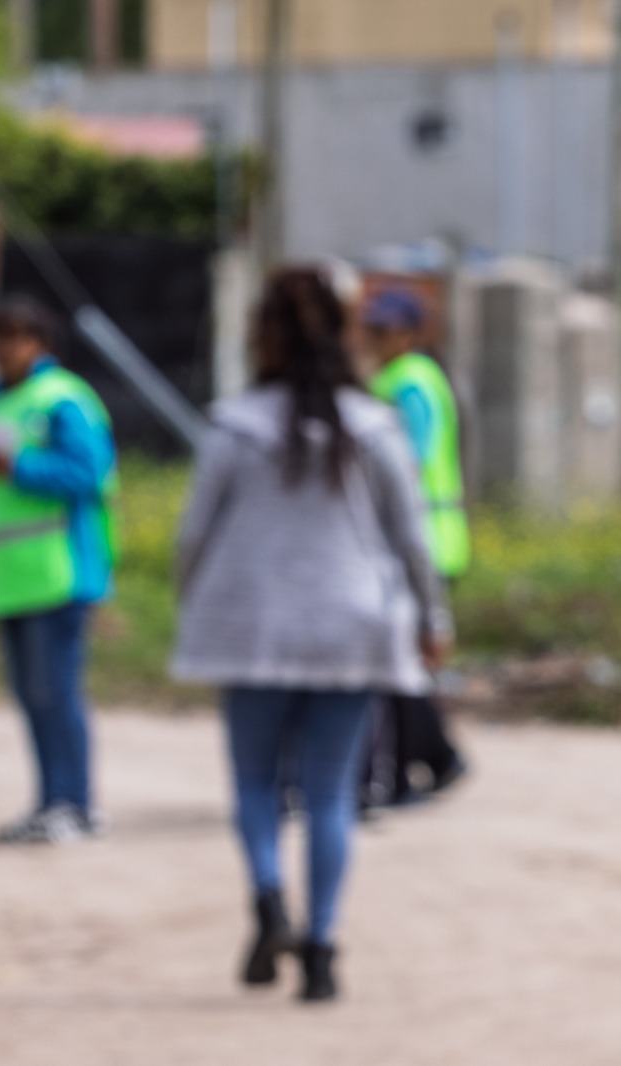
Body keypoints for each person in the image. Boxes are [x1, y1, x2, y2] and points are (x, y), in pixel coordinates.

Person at [171, 268, 452, 1002]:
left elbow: (195, 534)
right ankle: (322, 950)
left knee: (257, 784)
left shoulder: (234, 424)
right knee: (330, 794)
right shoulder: (375, 425)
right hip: (351, 628)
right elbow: (412, 538)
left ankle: (268, 899)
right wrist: (433, 619)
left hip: (251, 627)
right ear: (345, 332)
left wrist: (191, 606)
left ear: (260, 332)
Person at [0, 296, 118, 845]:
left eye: (14, 336)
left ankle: (76, 804)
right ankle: (49, 803)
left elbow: (88, 475)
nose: (1, 348)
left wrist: (16, 466)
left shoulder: (63, 399)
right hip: (8, 577)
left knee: (57, 694)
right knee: (31, 697)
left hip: (59, 573)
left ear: (40, 342)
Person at [362, 288, 470, 804]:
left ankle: (431, 760)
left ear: (410, 333)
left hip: (423, 536)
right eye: (372, 330)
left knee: (403, 662)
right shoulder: (401, 379)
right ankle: (418, 764)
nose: (375, 340)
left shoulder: (409, 382)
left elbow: (409, 460)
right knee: (402, 662)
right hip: (421, 534)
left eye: (384, 331)